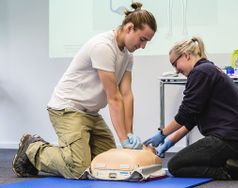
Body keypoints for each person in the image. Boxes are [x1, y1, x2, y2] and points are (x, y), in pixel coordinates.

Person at [12, 2, 157, 179]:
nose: (143, 46)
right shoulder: (103, 47)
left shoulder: (128, 56)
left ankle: (69, 153)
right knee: (78, 169)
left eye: (147, 42)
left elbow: (127, 95)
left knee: (105, 164)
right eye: (142, 39)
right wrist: (124, 140)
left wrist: (129, 133)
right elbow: (114, 98)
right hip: (67, 109)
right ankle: (33, 148)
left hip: (91, 115)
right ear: (129, 28)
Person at [144, 36, 238, 180]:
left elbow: (184, 114)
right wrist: (168, 143)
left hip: (228, 140)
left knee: (175, 166)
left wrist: (162, 134)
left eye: (174, 64)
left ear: (186, 55)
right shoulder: (208, 69)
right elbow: (190, 120)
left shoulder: (200, 72)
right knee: (182, 161)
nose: (176, 70)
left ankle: (226, 171)